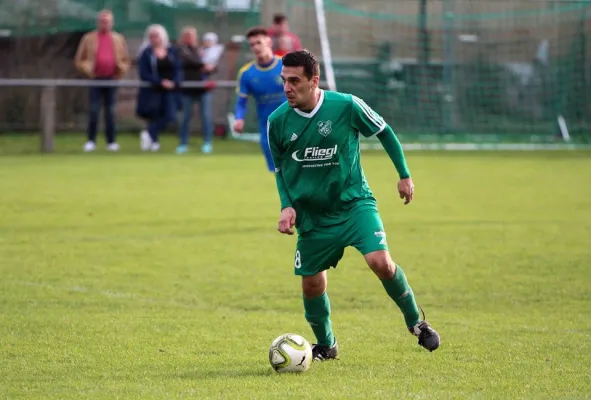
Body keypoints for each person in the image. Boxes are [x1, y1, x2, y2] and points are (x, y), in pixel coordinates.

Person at [267, 50, 441, 361]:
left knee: (381, 263)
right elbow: (280, 170)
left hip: (354, 204)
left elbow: (384, 131)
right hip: (313, 216)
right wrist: (286, 206)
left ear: (314, 80)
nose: (287, 88)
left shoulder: (345, 105)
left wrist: (404, 175)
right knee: (311, 284)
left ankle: (417, 322)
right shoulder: (277, 121)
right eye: (284, 81)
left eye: (295, 81)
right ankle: (327, 344)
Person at [74, 9, 130, 152]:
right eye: (102, 21)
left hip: (112, 79)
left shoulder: (118, 39)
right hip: (95, 79)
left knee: (110, 111)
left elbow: (125, 60)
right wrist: (87, 68)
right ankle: (91, 141)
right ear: (98, 22)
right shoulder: (88, 38)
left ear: (112, 23)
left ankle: (111, 142)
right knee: (93, 110)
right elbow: (79, 60)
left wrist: (121, 70)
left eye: (107, 22)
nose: (105, 24)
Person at [234, 27, 286, 172]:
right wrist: (239, 118)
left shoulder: (286, 65)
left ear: (268, 42)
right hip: (267, 128)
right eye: (252, 44)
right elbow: (241, 101)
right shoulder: (247, 73)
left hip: (291, 123)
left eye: (259, 42)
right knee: (277, 171)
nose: (256, 47)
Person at [136, 24, 182, 152]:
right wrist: (159, 81)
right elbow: (144, 73)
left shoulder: (172, 51)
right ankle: (154, 141)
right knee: (154, 115)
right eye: (151, 36)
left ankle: (149, 134)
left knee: (170, 116)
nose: (154, 39)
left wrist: (174, 82)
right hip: (153, 89)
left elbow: (178, 68)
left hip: (169, 89)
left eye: (156, 36)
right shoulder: (146, 52)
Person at [176, 27, 216, 154]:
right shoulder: (181, 49)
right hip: (188, 88)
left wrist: (211, 67)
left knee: (205, 116)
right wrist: (203, 65)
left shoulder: (201, 50)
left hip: (203, 88)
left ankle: (207, 142)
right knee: (185, 117)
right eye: (187, 36)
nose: (190, 39)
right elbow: (190, 61)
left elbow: (212, 66)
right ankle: (183, 143)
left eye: (192, 36)